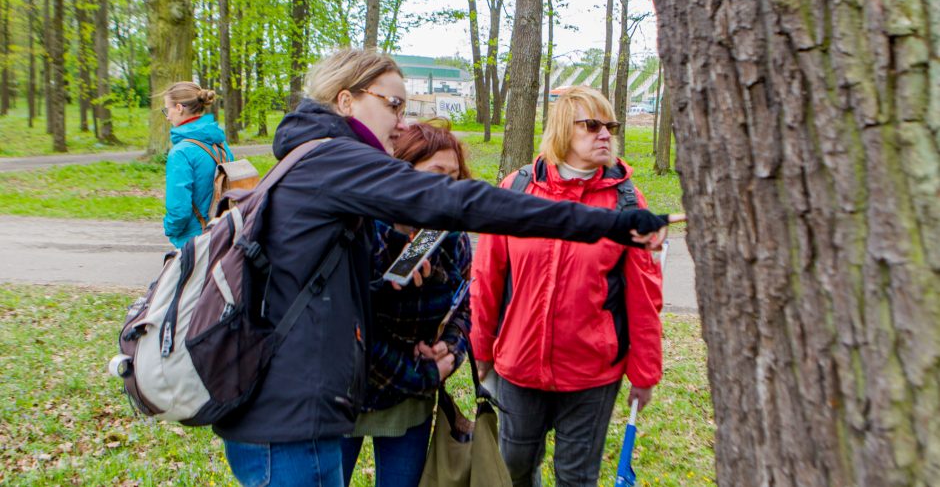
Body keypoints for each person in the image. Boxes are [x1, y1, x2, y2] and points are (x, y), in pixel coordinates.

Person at [213, 49, 671, 487]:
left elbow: (325, 284)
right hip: (289, 414)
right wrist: (610, 224)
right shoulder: (334, 158)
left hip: (291, 406)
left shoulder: (311, 157)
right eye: (393, 104)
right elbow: (462, 202)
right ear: (346, 100)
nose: (402, 120)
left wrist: (405, 300)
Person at [470, 86, 664, 487]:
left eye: (610, 125)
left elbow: (645, 295)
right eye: (592, 125)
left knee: (576, 477)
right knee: (514, 467)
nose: (605, 134)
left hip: (592, 373)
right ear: (562, 129)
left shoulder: (628, 203)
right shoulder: (517, 189)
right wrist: (481, 349)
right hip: (519, 366)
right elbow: (488, 277)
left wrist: (644, 372)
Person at [341, 120, 473, 487]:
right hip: (348, 390)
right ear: (402, 171)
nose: (446, 185)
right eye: (435, 172)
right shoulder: (361, 228)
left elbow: (465, 304)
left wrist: (448, 348)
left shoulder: (452, 237)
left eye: (454, 175)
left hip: (410, 401)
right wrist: (422, 374)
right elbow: (349, 323)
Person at [161, 82, 233, 248]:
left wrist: (170, 230)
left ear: (179, 108)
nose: (167, 116)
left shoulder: (181, 152)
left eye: (167, 110)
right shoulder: (220, 143)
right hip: (222, 233)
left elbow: (179, 209)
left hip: (194, 240)